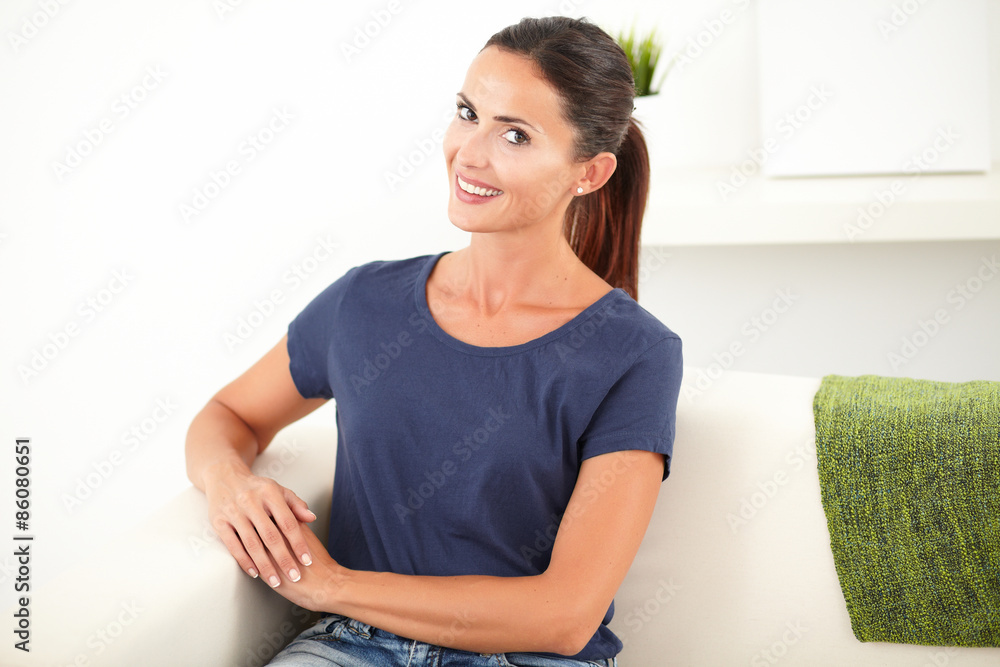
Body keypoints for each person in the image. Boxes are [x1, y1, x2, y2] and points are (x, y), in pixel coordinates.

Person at [185, 15, 682, 667]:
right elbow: (229, 414)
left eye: (515, 134)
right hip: (353, 647)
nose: (469, 153)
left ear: (588, 173)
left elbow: (565, 616)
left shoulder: (635, 352)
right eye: (467, 113)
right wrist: (229, 483)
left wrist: (331, 585)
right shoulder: (365, 303)